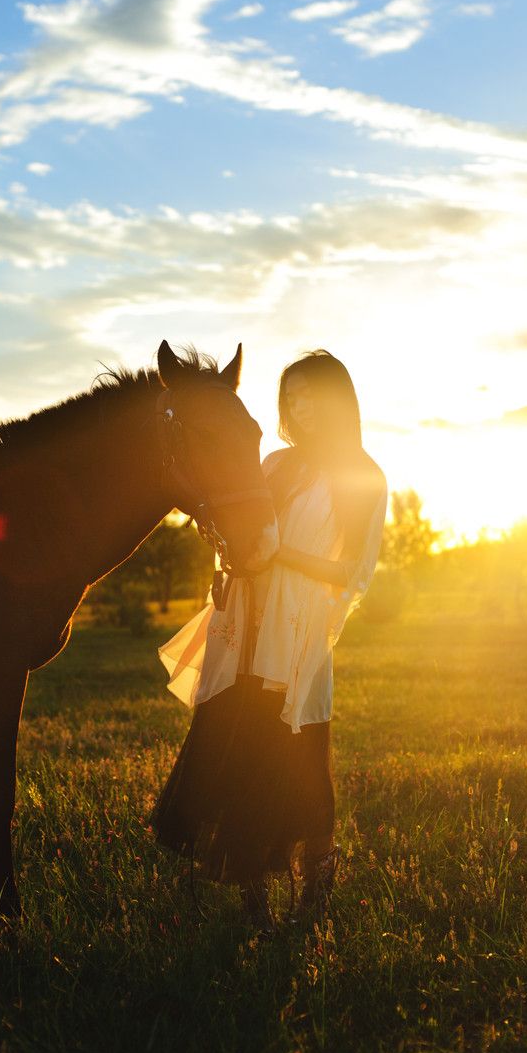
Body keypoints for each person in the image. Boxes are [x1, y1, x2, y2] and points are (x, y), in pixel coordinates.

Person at [150, 350, 387, 929]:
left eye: (312, 396)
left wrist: (284, 557)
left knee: (303, 767)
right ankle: (250, 891)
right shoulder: (276, 464)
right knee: (240, 762)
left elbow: (352, 575)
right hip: (245, 626)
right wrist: (223, 562)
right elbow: (240, 524)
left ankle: (317, 883)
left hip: (298, 636)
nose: (300, 408)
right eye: (291, 396)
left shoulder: (362, 474)